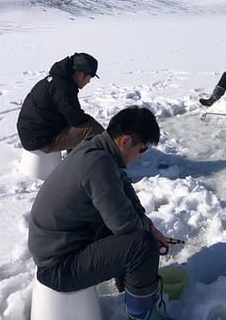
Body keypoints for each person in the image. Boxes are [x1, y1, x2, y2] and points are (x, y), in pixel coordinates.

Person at [28, 106, 173, 320]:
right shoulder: (98, 164)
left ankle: (131, 283)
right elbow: (125, 225)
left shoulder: (97, 147)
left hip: (62, 246)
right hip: (59, 266)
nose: (140, 157)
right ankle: (142, 315)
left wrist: (147, 222)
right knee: (143, 246)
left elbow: (124, 187)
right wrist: (149, 233)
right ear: (125, 141)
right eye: (141, 150)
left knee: (136, 230)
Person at [17, 52, 104, 153]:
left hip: (32, 133)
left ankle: (75, 159)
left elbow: (70, 114)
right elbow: (75, 118)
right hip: (39, 139)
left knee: (74, 125)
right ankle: (114, 159)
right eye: (89, 78)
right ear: (80, 74)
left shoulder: (59, 80)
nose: (88, 82)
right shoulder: (63, 87)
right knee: (91, 128)